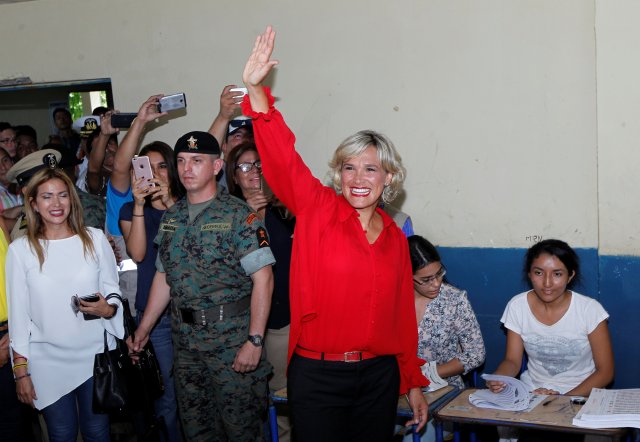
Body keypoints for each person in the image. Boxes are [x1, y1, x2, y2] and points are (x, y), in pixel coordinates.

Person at [241, 26, 429, 442]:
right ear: (337, 173)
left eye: (370, 168)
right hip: (319, 375)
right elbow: (283, 161)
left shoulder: (396, 237)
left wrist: (411, 381)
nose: (358, 178)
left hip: (379, 376)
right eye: (348, 167)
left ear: (389, 177)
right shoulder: (318, 208)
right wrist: (257, 94)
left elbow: (402, 316)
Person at [129, 130, 275, 441]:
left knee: (241, 431)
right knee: (197, 431)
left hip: (233, 343)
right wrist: (144, 328)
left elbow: (263, 279)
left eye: (197, 161)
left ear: (217, 167)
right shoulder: (173, 218)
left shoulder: (240, 215)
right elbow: (162, 277)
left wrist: (255, 341)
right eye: (181, 161)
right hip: (187, 347)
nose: (186, 169)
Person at [7, 167, 123, 442]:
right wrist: (20, 372)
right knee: (61, 434)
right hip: (46, 360)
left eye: (62, 195)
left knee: (97, 432)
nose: (56, 204)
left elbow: (113, 291)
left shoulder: (94, 238)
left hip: (94, 357)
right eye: (47, 197)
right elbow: (18, 317)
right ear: (33, 203)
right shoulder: (20, 251)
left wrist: (108, 310)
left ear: (72, 199)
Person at [487, 239, 614, 442]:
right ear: (529, 274)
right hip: (533, 391)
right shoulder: (517, 306)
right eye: (538, 273)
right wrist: (500, 378)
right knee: (503, 420)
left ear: (570, 275)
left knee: (596, 436)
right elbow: (512, 361)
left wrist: (561, 399)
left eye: (557, 274)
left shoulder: (589, 310)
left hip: (581, 393)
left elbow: (605, 372)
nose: (547, 283)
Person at [227, 142, 295, 441]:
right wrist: (248, 214)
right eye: (244, 166)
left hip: (282, 321)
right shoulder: (227, 213)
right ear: (234, 176)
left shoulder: (288, 209)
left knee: (284, 397)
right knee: (247, 403)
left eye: (259, 165)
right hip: (239, 324)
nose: (253, 172)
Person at [119, 141, 183, 442]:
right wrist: (142, 205)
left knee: (193, 391)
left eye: (161, 166)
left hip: (191, 312)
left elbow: (189, 242)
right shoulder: (131, 208)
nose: (155, 173)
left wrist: (170, 201)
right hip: (154, 318)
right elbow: (139, 253)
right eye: (147, 167)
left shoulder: (185, 204)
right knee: (167, 397)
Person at [405, 235, 485, 442]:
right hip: (397, 386)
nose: (436, 283)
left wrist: (428, 374)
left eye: (439, 273)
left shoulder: (454, 300)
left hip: (443, 390)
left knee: (416, 438)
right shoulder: (391, 298)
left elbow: (475, 354)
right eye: (426, 280)